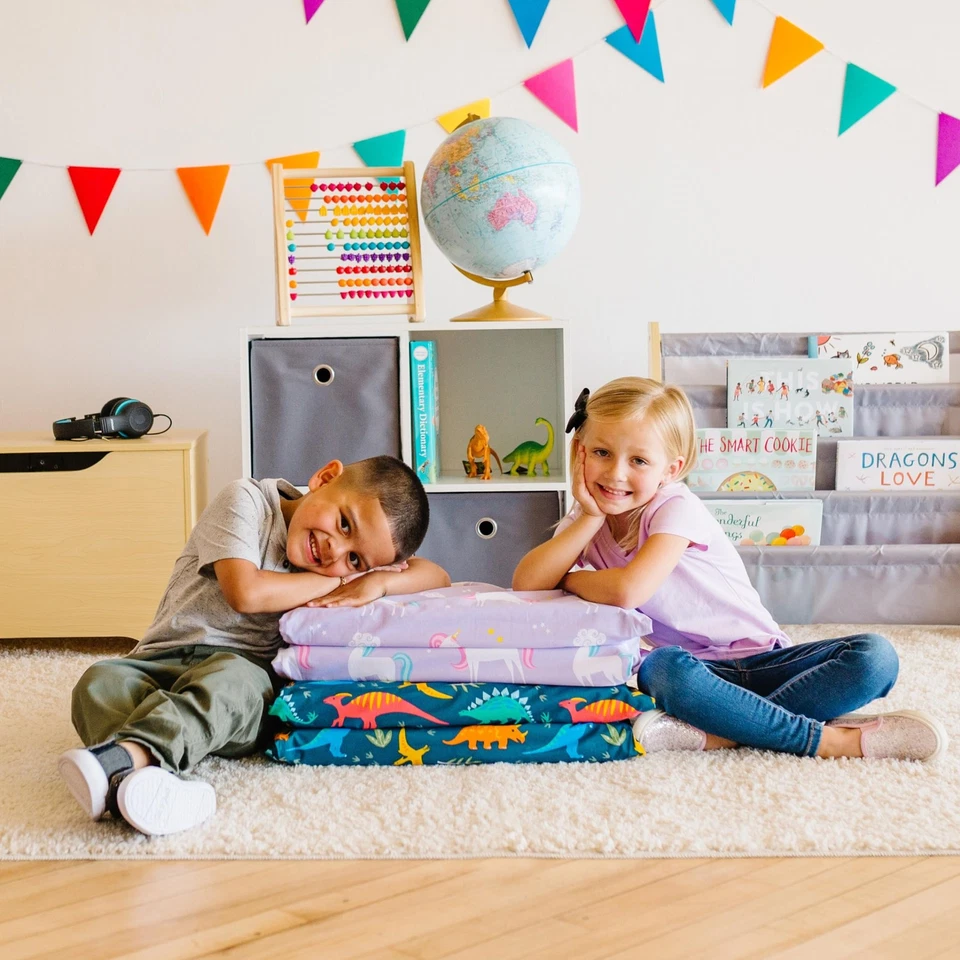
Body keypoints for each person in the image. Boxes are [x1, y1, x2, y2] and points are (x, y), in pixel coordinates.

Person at [513, 378, 947, 763]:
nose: (615, 473)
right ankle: (827, 740)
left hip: (762, 658)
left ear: (672, 469)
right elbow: (526, 585)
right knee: (660, 668)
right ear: (579, 451)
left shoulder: (675, 506)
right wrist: (588, 519)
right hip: (695, 673)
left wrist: (568, 580)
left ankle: (723, 732)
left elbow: (629, 590)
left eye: (638, 461)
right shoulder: (588, 516)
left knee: (875, 657)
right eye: (602, 453)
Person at [60, 455, 450, 836]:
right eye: (344, 523)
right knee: (98, 682)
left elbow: (438, 575)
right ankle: (146, 781)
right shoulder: (247, 501)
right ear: (325, 477)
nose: (335, 551)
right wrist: (341, 581)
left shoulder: (346, 569)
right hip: (162, 658)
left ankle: (124, 760)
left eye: (354, 560)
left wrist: (377, 581)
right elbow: (245, 592)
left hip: (241, 680)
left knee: (229, 684)